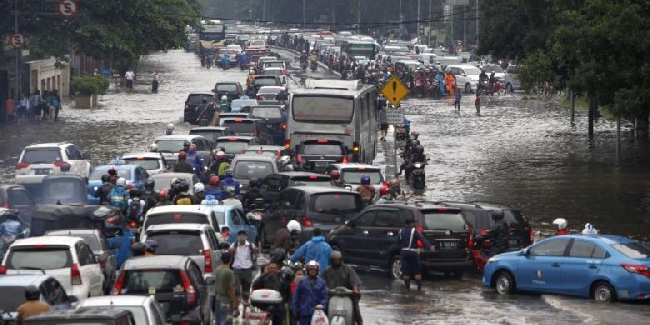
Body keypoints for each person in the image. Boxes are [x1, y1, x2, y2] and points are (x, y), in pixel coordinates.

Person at [322, 251, 363, 325]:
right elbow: (322, 282)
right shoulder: (327, 270)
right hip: (332, 295)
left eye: (338, 259)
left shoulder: (348, 269)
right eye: (335, 260)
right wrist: (325, 288)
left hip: (347, 295)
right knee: (323, 307)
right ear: (331, 260)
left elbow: (354, 280)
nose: (337, 261)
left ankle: (359, 321)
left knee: (356, 307)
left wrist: (355, 288)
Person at [396, 216, 435, 291]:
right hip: (413, 252)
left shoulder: (401, 231)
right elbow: (422, 239)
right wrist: (429, 246)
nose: (414, 224)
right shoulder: (414, 231)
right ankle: (419, 289)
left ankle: (407, 289)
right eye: (414, 222)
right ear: (410, 223)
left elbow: (397, 243)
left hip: (404, 252)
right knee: (417, 271)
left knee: (406, 271)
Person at [252, 260, 289, 325]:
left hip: (278, 305)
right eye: (271, 268)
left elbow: (286, 290)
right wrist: (264, 274)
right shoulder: (263, 278)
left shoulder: (281, 279)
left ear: (277, 269)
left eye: (274, 268)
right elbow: (255, 284)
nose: (272, 270)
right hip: (265, 304)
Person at [291, 260, 328, 325]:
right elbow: (296, 295)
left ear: (317, 270)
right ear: (307, 270)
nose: (312, 271)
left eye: (314, 269)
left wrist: (321, 305)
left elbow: (325, 297)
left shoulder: (322, 283)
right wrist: (295, 308)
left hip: (317, 312)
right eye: (310, 269)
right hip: (304, 311)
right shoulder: (302, 282)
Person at [229, 230, 258, 306]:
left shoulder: (251, 245)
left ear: (246, 237)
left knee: (246, 290)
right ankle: (236, 306)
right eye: (240, 235)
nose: (242, 237)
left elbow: (256, 252)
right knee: (236, 290)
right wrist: (231, 251)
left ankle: (245, 305)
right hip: (236, 270)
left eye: (243, 235)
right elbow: (229, 252)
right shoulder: (234, 245)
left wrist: (255, 251)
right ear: (238, 237)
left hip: (247, 269)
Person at [215, 252, 239, 325]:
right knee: (227, 321)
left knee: (218, 321)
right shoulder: (229, 272)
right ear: (230, 260)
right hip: (226, 301)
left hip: (218, 299)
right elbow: (231, 287)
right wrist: (235, 302)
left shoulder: (218, 269)